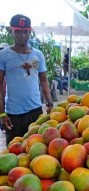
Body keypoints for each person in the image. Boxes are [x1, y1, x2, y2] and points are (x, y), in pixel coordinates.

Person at [0, 14, 53, 146]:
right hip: (13, 113)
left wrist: (49, 102)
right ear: (11, 31)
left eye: (26, 32)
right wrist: (2, 113)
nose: (22, 35)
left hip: (36, 111)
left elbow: (44, 81)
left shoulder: (38, 54)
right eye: (18, 31)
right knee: (14, 151)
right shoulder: (3, 55)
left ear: (30, 32)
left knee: (36, 149)